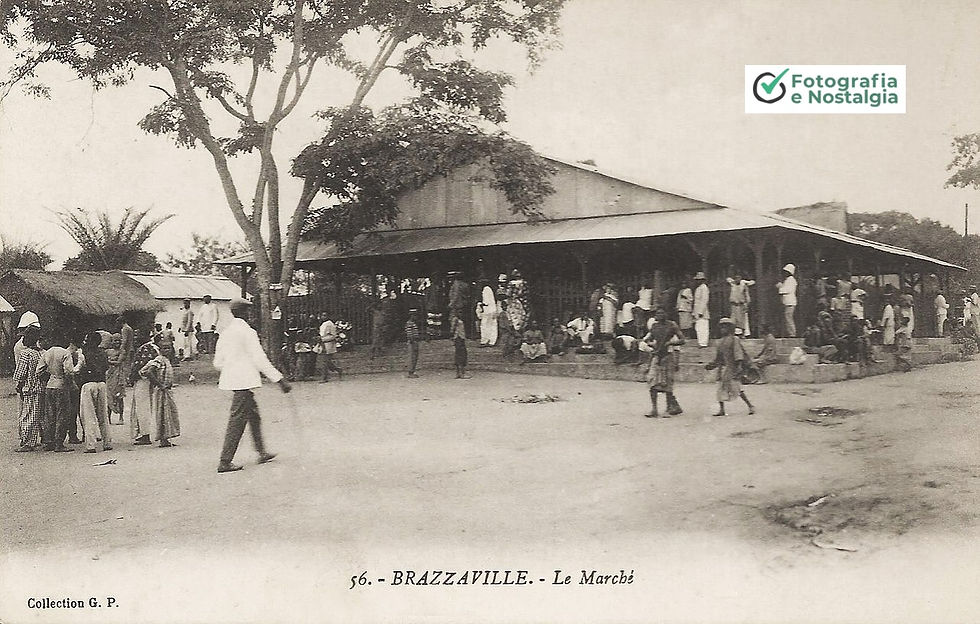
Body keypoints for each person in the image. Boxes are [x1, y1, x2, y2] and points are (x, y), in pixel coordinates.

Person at [213, 298, 291, 473]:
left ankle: (261, 452)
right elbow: (259, 359)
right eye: (249, 312)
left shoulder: (225, 332)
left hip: (234, 381)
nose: (252, 316)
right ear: (244, 313)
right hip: (243, 381)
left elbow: (218, 363)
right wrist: (279, 380)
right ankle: (225, 461)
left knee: (253, 415)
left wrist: (232, 369)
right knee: (237, 420)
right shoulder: (247, 332)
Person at [705, 318, 755, 417]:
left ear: (730, 328)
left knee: (737, 388)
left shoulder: (734, 339)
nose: (723, 329)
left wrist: (739, 366)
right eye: (722, 327)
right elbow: (718, 358)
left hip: (732, 368)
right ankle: (722, 409)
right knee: (720, 389)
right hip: (722, 369)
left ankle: (750, 406)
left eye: (725, 326)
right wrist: (712, 365)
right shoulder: (719, 342)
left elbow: (738, 353)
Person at [73, 332, 112, 453]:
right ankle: (107, 442)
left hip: (88, 384)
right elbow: (106, 367)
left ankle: (91, 445)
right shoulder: (103, 353)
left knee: (88, 415)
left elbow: (77, 369)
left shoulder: (83, 353)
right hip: (101, 383)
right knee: (103, 415)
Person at [642, 308, 684, 417]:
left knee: (667, 385)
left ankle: (667, 409)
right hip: (656, 356)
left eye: (662, 312)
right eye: (658, 313)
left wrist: (670, 342)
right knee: (652, 384)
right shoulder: (654, 326)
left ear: (666, 314)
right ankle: (654, 409)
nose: (659, 315)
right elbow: (647, 339)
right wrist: (652, 344)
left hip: (667, 356)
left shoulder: (672, 325)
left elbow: (682, 339)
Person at [37, 332, 74, 452]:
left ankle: (49, 441)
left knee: (50, 415)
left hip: (50, 385)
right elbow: (68, 371)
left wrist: (49, 376)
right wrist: (69, 383)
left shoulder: (47, 353)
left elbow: (39, 371)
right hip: (61, 385)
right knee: (62, 415)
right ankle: (59, 443)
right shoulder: (65, 353)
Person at [139, 349, 180, 447]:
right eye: (164, 348)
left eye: (168, 348)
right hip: (162, 390)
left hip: (166, 390)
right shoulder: (159, 359)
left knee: (168, 413)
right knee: (162, 413)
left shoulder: (166, 360)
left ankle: (165, 438)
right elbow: (148, 372)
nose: (167, 350)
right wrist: (159, 384)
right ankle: (163, 439)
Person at [12, 325, 43, 451]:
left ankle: (27, 442)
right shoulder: (38, 353)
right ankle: (32, 440)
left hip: (29, 388)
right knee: (35, 415)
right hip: (38, 388)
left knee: (27, 416)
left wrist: (18, 385)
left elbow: (20, 374)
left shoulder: (25, 353)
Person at [130, 332, 160, 446]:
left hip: (143, 380)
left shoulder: (145, 348)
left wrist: (133, 377)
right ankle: (143, 433)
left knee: (142, 407)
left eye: (138, 336)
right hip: (149, 381)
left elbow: (141, 367)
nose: (136, 339)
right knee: (145, 406)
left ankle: (145, 435)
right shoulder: (153, 348)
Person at [105, 334, 126, 424]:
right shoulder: (107, 351)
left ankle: (121, 417)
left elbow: (118, 362)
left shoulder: (122, 351)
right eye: (115, 340)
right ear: (111, 342)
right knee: (109, 396)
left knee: (119, 397)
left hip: (118, 376)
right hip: (109, 375)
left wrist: (109, 361)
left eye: (118, 340)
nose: (117, 342)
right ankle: (108, 418)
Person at [726, 272, 755, 336]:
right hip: (733, 304)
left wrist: (747, 303)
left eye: (739, 277)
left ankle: (742, 334)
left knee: (741, 320)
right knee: (733, 320)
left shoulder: (743, 285)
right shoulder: (732, 284)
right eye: (736, 278)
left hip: (741, 304)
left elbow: (747, 295)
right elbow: (728, 279)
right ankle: (734, 334)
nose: (737, 279)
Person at [318, 314, 343, 382]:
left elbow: (333, 336)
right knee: (326, 362)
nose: (323, 317)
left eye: (325, 315)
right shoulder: (323, 324)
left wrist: (323, 339)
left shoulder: (330, 324)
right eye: (322, 315)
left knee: (324, 362)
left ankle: (324, 377)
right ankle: (338, 369)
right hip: (323, 345)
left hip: (329, 345)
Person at [776, 264, 798, 337]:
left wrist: (780, 287)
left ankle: (792, 333)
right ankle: (790, 332)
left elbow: (788, 290)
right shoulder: (788, 280)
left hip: (790, 302)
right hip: (787, 302)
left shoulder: (791, 280)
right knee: (787, 318)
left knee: (789, 318)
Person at [477, 280, 499, 347]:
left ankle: (485, 341)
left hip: (488, 310)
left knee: (485, 326)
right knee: (492, 326)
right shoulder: (489, 289)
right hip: (492, 309)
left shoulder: (486, 289)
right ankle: (492, 341)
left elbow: (486, 302)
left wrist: (480, 304)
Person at [692, 272, 710, 347]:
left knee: (703, 326)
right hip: (697, 310)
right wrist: (694, 312)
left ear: (702, 280)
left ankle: (703, 342)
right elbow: (696, 302)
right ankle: (700, 342)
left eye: (699, 280)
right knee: (698, 327)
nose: (698, 281)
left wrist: (701, 311)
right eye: (697, 280)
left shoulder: (704, 288)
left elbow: (704, 300)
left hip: (702, 311)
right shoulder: (699, 288)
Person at [405, 308, 421, 378]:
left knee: (415, 357)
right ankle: (410, 372)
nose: (416, 317)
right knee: (412, 357)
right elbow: (409, 334)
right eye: (415, 316)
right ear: (412, 316)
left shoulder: (413, 323)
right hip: (412, 342)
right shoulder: (409, 323)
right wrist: (413, 341)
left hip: (415, 341)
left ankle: (413, 371)